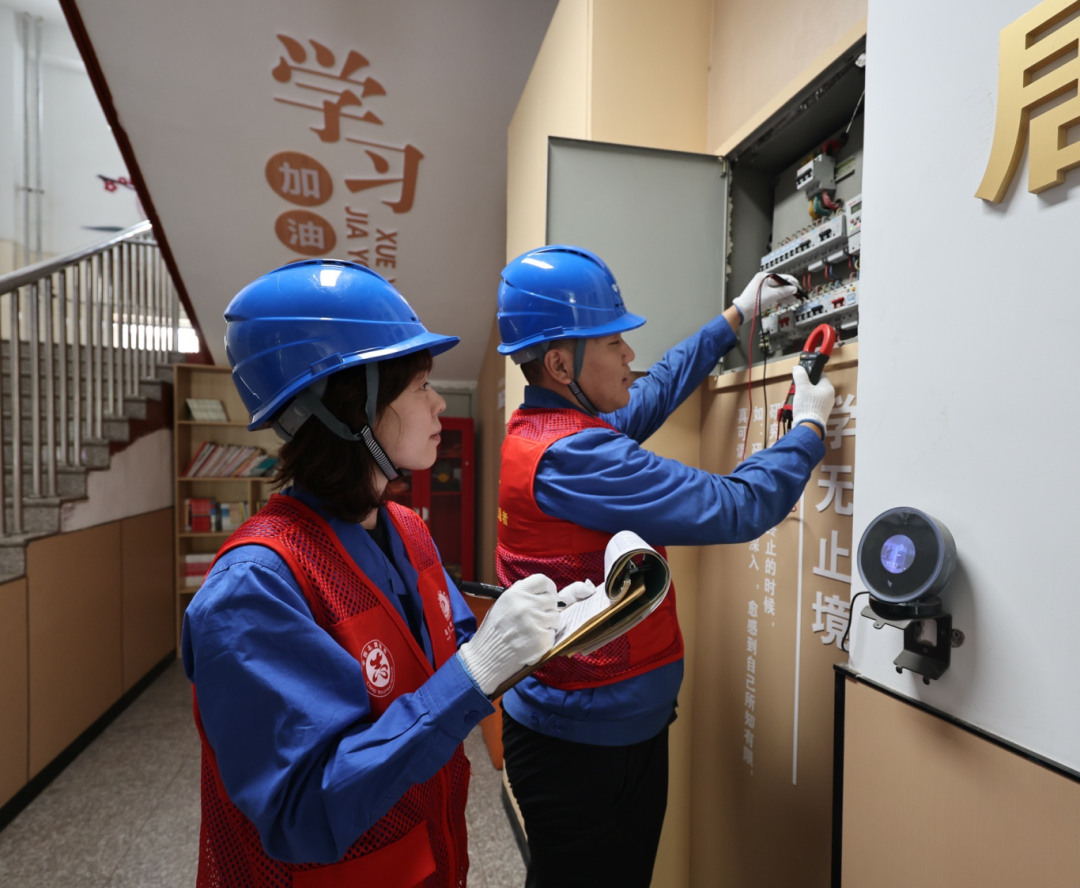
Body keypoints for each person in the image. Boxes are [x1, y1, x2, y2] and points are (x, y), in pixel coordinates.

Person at [183, 259, 592, 888]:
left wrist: (549, 631)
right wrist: (476, 672)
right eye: (420, 384)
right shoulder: (255, 587)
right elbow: (302, 811)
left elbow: (452, 649)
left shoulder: (405, 527)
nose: (439, 402)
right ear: (349, 408)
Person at [494, 245, 835, 888]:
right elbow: (735, 506)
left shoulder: (550, 428)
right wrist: (808, 430)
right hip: (588, 746)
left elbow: (651, 393)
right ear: (561, 363)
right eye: (613, 341)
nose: (630, 354)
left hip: (592, 725)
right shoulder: (576, 457)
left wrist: (736, 316)